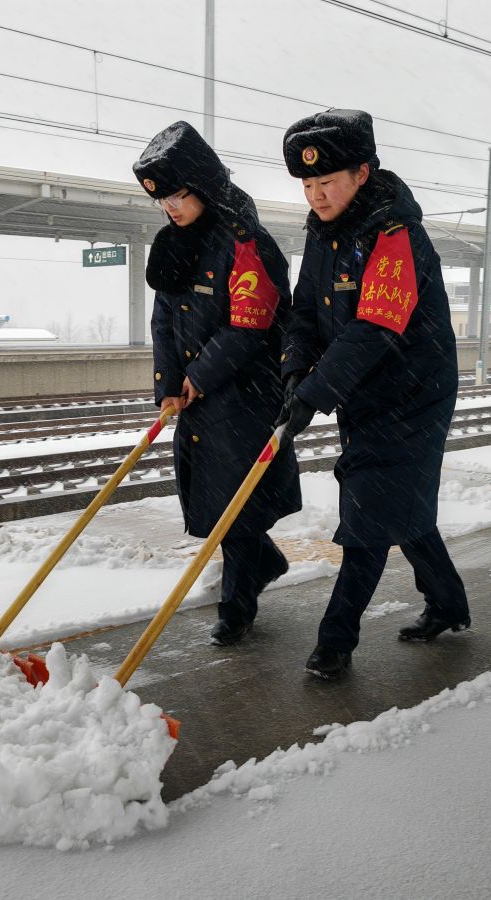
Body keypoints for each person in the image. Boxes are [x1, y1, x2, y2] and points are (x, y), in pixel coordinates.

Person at [276, 109, 470, 678]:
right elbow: (305, 312)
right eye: (307, 184)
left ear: (362, 173)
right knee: (399, 508)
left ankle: (335, 643)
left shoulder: (394, 233)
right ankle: (449, 602)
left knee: (367, 518)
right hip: (364, 392)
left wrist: (315, 391)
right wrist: (293, 373)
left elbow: (375, 327)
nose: (315, 194)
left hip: (414, 394)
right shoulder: (324, 233)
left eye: (327, 181)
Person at [133, 120, 302, 646]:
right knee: (221, 505)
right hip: (200, 401)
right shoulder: (173, 245)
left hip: (247, 399)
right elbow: (163, 320)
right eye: (164, 201)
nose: (172, 209)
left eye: (180, 195)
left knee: (238, 506)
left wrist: (197, 377)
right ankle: (263, 566)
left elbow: (249, 327)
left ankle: (237, 609)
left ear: (204, 186)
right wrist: (168, 382)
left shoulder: (248, 244)